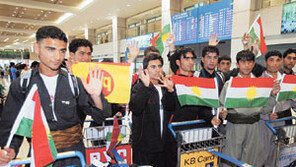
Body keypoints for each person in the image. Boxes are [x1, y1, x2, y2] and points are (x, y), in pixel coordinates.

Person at [0, 26, 111, 166]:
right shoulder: (23, 84)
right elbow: (12, 124)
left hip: (73, 156)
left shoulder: (74, 82)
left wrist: (95, 96)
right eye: (50, 49)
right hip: (40, 155)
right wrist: (10, 148)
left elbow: (100, 116)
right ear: (36, 47)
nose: (57, 57)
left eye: (62, 51)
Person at [220, 50, 280, 167]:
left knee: (250, 160)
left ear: (253, 64)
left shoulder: (260, 84)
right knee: (231, 159)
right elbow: (221, 105)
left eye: (249, 62)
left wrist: (272, 94)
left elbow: (265, 109)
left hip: (254, 126)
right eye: (243, 62)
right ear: (237, 65)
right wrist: (222, 112)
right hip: (235, 126)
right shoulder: (230, 84)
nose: (246, 65)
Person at [166, 46, 222, 167]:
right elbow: (167, 106)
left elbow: (202, 107)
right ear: (178, 62)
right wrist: (170, 91)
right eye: (186, 58)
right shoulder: (171, 81)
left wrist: (211, 118)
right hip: (174, 132)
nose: (190, 62)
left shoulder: (198, 81)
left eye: (192, 59)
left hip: (195, 132)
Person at [129, 53, 175, 167]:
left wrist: (170, 91)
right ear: (146, 70)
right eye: (153, 67)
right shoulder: (138, 87)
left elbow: (171, 108)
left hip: (162, 144)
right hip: (143, 146)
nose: (157, 70)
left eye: (159, 66)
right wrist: (145, 87)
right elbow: (136, 108)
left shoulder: (164, 87)